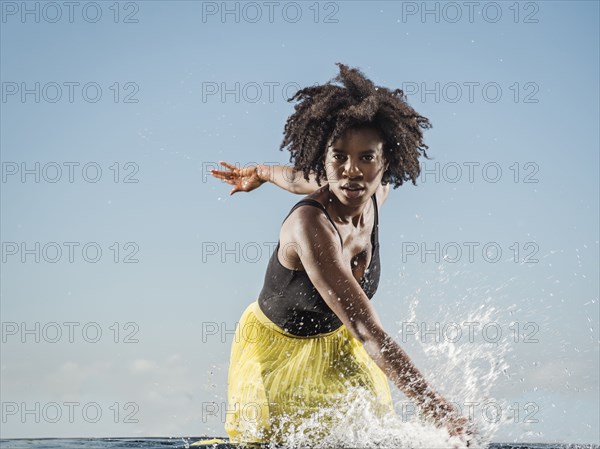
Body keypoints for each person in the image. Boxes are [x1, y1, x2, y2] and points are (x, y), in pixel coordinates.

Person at [209, 63, 471, 445]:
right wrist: (438, 408)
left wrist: (263, 173)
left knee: (374, 434)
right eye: (338, 157)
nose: (352, 171)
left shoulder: (377, 195)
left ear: (387, 162)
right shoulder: (308, 226)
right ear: (324, 159)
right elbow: (368, 331)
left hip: (339, 341)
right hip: (273, 348)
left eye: (367, 157)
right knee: (265, 441)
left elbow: (295, 177)